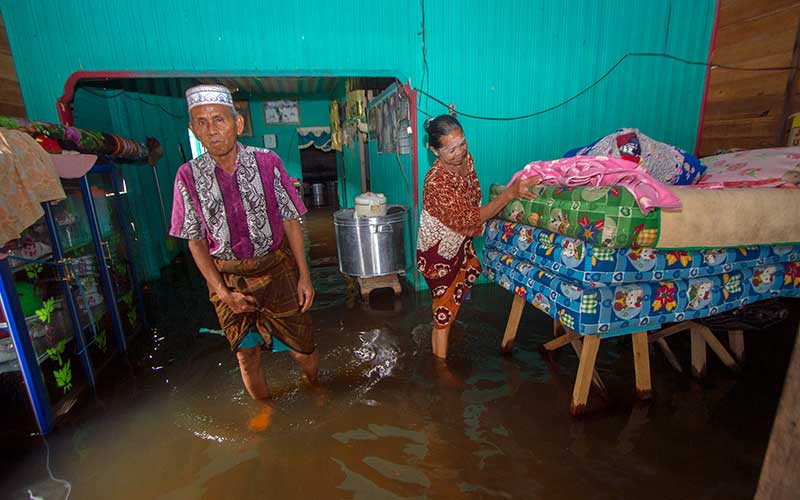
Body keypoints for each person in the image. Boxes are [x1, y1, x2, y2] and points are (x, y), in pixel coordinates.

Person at [170, 85, 318, 414]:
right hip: (227, 279)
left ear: (237, 124)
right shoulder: (187, 176)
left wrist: (304, 276)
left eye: (219, 120)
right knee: (246, 354)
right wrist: (223, 294)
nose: (212, 130)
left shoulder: (267, 163)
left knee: (302, 348)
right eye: (202, 122)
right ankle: (265, 411)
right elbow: (195, 241)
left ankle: (315, 386)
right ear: (193, 129)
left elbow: (291, 219)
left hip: (276, 270)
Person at [416, 115, 537, 359]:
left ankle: (448, 333)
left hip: (458, 241)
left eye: (463, 143)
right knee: (443, 315)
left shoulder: (466, 159)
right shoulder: (436, 182)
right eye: (451, 149)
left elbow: (471, 198)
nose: (460, 152)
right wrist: (510, 194)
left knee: (452, 303)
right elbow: (471, 218)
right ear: (434, 150)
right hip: (437, 254)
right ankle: (440, 370)